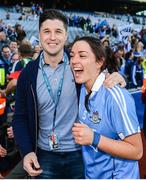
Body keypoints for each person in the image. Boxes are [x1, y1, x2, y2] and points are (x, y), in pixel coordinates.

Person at [12, 9, 125, 179]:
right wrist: (27, 152)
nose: (52, 37)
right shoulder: (28, 73)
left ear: (66, 36)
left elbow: (101, 77)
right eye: (47, 31)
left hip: (81, 153)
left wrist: (116, 78)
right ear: (40, 35)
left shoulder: (78, 66)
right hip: (44, 155)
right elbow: (20, 118)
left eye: (58, 32)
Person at [70, 36, 143, 179]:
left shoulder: (115, 96)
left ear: (99, 61)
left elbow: (137, 151)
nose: (74, 60)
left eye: (82, 55)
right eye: (72, 55)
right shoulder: (82, 89)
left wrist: (94, 138)